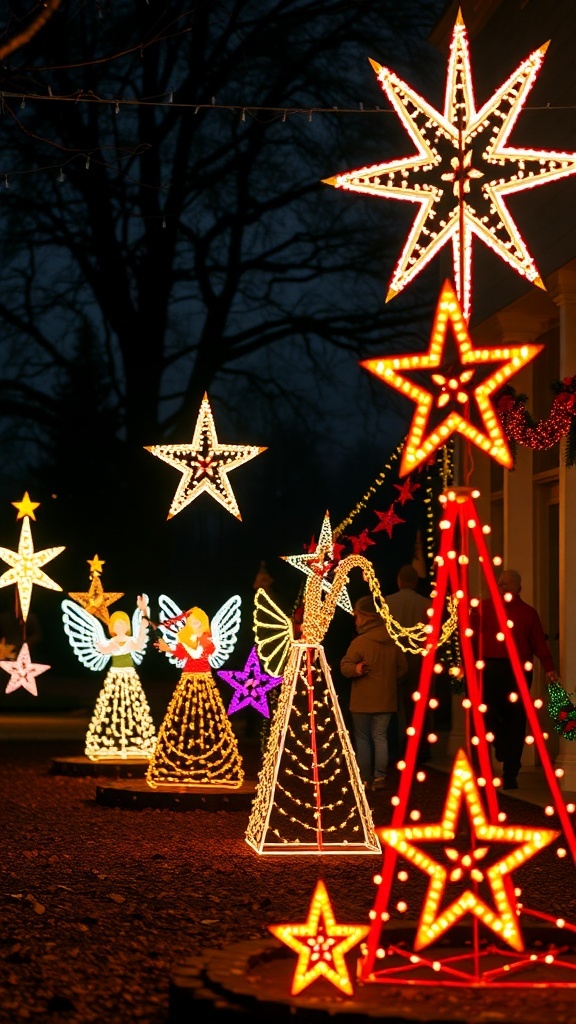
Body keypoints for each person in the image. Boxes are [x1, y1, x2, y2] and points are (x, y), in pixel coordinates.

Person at [471, 569, 558, 790]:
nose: (502, 587)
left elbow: (537, 642)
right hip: (492, 667)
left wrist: (549, 667)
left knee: (515, 719)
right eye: (500, 583)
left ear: (518, 588)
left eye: (506, 584)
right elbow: (471, 637)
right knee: (491, 713)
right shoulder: (484, 608)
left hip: (516, 669)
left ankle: (510, 772)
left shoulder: (526, 613)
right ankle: (501, 743)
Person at [340, 595, 407, 791]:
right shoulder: (392, 641)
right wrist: (389, 682)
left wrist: (357, 669)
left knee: (362, 738)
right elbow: (403, 669)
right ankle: (380, 777)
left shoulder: (360, 643)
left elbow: (345, 667)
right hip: (386, 699)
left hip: (362, 700)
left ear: (365, 616)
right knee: (380, 737)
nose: (355, 621)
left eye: (357, 616)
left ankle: (364, 778)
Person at [385, 565, 432, 757]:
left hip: (392, 658)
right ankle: (419, 750)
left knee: (391, 704)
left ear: (399, 581)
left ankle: (394, 749)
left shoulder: (388, 602)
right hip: (418, 659)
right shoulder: (427, 604)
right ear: (415, 582)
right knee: (417, 705)